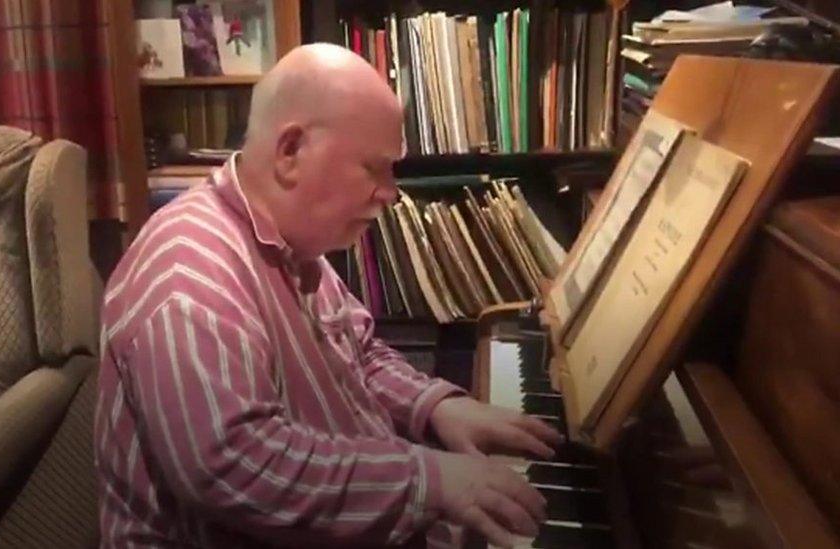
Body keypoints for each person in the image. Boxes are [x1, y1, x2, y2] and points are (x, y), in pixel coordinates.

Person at [95, 43, 563, 548]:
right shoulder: (189, 279)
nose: (390, 193)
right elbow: (236, 467)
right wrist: (428, 480)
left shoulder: (288, 239)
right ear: (291, 151)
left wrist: (436, 407)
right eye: (373, 168)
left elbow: (356, 349)